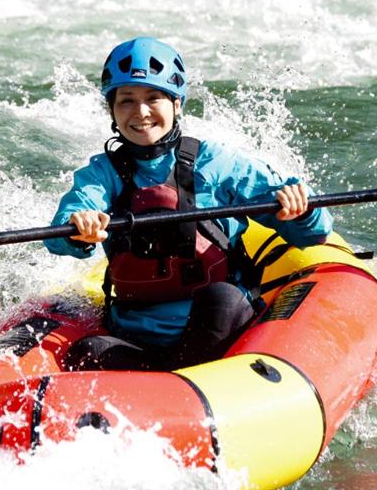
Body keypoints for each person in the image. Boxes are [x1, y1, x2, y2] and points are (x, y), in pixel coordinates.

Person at [45, 37, 332, 371]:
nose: (140, 112)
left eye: (154, 98)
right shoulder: (101, 174)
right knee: (89, 350)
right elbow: (59, 231)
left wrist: (301, 211)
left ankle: (183, 386)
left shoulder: (217, 163)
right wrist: (77, 229)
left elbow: (313, 235)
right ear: (112, 109)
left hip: (214, 329)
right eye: (126, 101)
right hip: (137, 338)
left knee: (221, 299)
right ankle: (159, 388)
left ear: (177, 104)